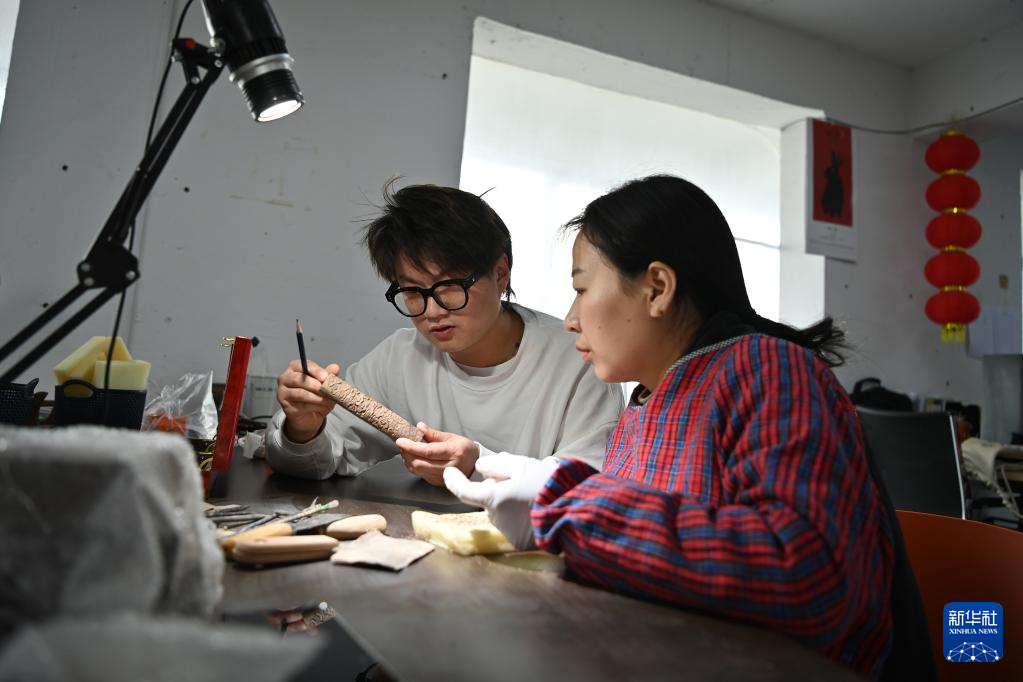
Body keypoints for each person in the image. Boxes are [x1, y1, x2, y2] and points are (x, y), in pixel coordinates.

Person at [438, 175, 899, 678]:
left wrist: (569, 506)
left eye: (581, 289)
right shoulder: (645, 405)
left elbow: (806, 574)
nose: (570, 319)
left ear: (657, 288)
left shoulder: (769, 372)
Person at [265, 181, 624, 484]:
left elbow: (591, 482)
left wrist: (476, 465)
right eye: (412, 291)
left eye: (450, 285)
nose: (432, 311)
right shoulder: (401, 358)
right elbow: (315, 461)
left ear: (500, 274)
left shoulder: (579, 358)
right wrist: (302, 428)